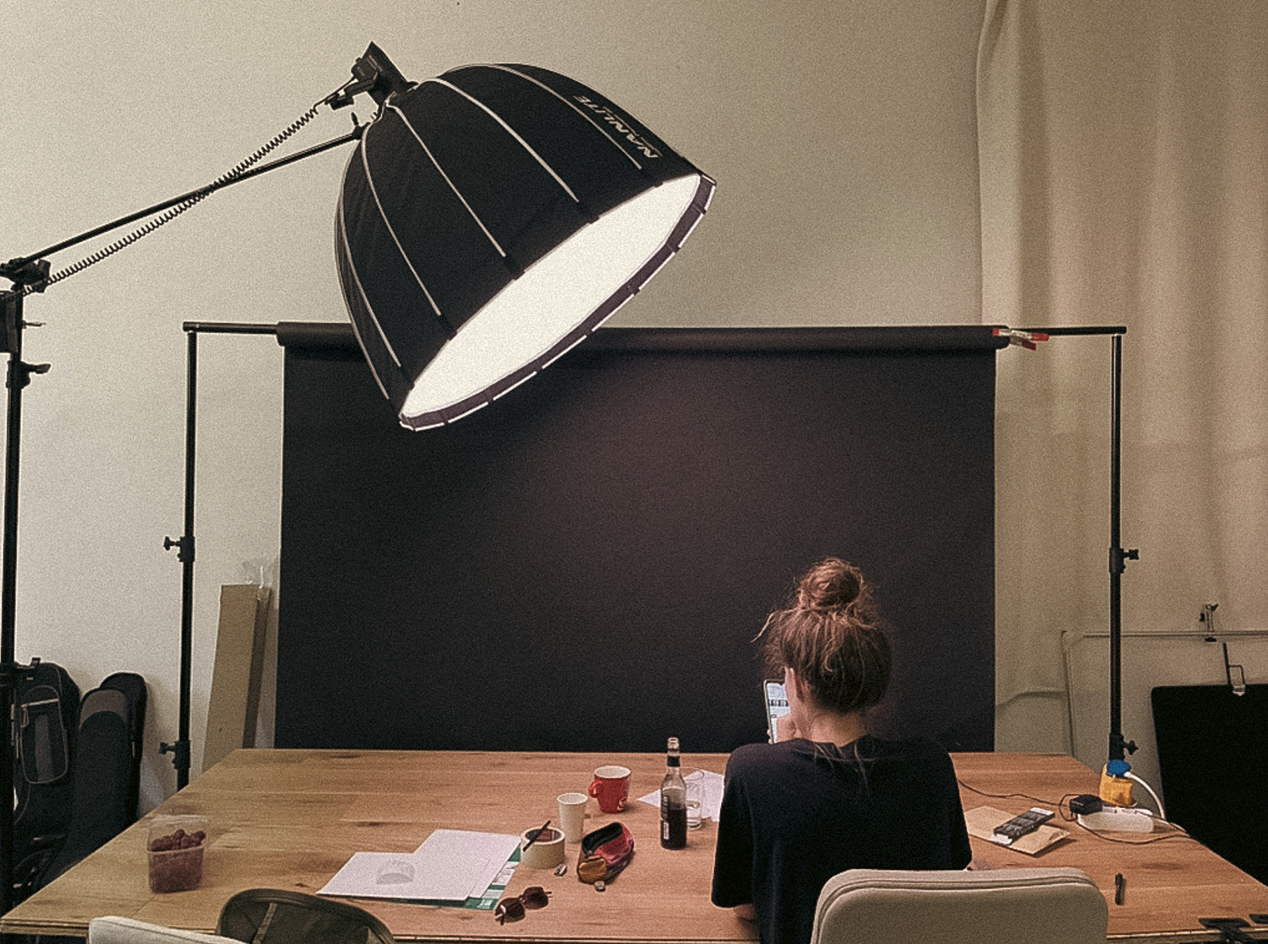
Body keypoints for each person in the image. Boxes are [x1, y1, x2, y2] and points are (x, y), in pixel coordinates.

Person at [710, 557, 972, 944]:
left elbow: (747, 909)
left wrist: (781, 756)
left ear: (796, 685)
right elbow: (945, 883)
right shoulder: (931, 767)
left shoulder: (752, 771)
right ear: (873, 684)